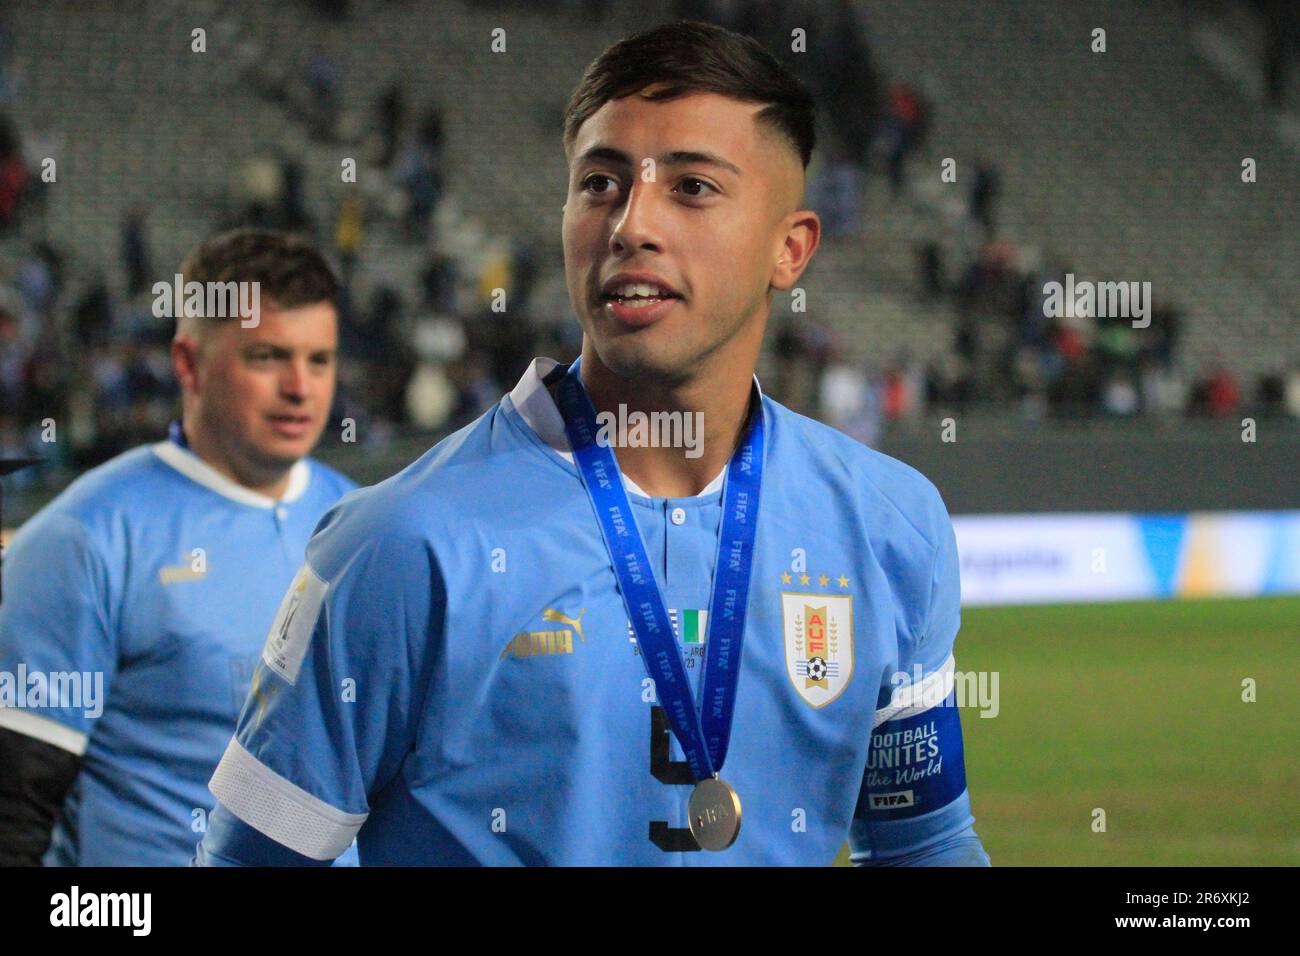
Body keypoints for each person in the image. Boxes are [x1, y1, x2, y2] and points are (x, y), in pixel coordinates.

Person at [196, 21, 990, 866]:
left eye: (690, 187)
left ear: (789, 248)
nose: (631, 224)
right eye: (602, 183)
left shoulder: (890, 525)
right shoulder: (396, 546)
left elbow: (924, 847)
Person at [0, 229, 357, 865]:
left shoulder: (369, 528)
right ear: (188, 364)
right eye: (268, 357)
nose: (301, 387)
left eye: (320, 359)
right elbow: (14, 813)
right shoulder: (83, 539)